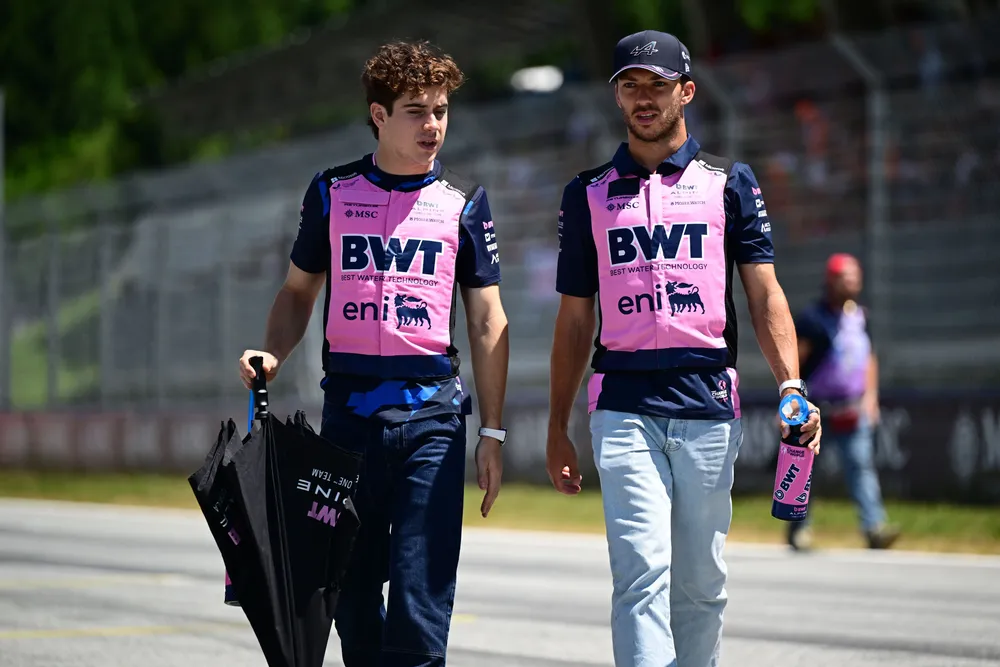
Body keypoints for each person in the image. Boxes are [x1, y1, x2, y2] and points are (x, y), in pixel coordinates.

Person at [545, 30, 823, 667]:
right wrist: (559, 425)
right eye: (630, 86)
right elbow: (572, 320)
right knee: (642, 572)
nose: (644, 98)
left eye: (658, 85)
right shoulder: (585, 192)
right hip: (621, 403)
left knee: (701, 583)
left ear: (687, 92)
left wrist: (791, 387)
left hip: (707, 401)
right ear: (616, 97)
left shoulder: (729, 184)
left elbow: (765, 295)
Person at [238, 40, 510, 667]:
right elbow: (297, 291)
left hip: (432, 423)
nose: (433, 125)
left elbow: (487, 317)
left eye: (441, 110)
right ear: (379, 115)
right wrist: (273, 352)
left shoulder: (464, 202)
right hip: (348, 424)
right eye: (416, 110)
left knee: (420, 604)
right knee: (352, 602)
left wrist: (491, 430)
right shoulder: (331, 191)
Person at [786, 253, 901, 552]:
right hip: (817, 408)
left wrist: (871, 397)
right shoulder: (813, 319)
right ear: (831, 281)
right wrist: (792, 400)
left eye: (855, 276)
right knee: (805, 471)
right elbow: (797, 359)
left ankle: (874, 527)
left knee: (861, 467)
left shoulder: (861, 317)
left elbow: (869, 359)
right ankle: (799, 530)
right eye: (845, 277)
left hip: (853, 407)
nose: (852, 282)